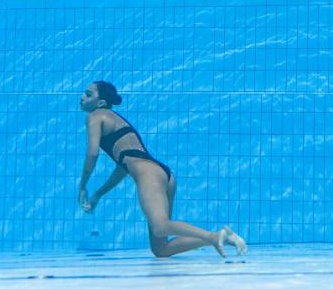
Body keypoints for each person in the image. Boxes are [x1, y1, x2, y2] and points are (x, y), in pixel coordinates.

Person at [78, 80, 247, 258]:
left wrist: (82, 185)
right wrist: (98, 193)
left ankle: (215, 236)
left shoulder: (95, 116)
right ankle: (219, 238)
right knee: (161, 249)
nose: (82, 97)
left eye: (88, 94)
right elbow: (123, 168)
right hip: (162, 174)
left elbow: (92, 154)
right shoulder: (114, 119)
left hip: (148, 174)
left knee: (160, 227)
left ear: (101, 103)